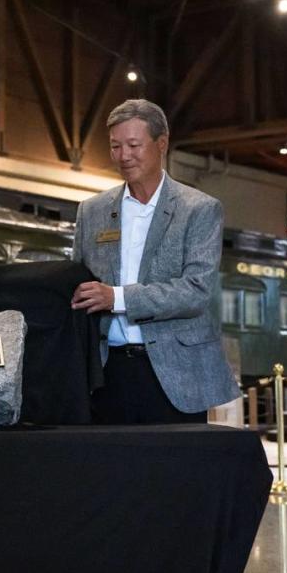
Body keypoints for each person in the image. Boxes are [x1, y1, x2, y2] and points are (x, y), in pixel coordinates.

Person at [71, 99, 238, 424]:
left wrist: (115, 297)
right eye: (115, 146)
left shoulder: (200, 209)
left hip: (175, 376)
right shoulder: (91, 211)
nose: (123, 156)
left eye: (134, 145)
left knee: (173, 474)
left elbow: (195, 291)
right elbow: (77, 281)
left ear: (162, 143)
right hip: (106, 374)